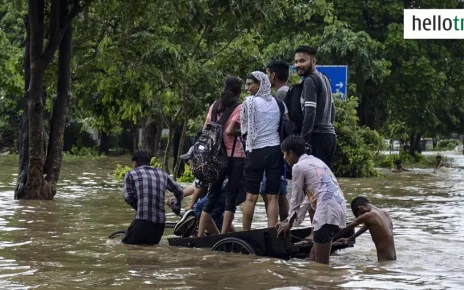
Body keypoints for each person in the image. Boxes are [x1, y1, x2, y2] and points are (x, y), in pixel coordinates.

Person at [276, 135, 346, 265]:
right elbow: (308, 200)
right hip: (338, 208)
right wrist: (289, 219)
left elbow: (296, 198)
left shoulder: (298, 167)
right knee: (313, 256)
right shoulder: (315, 161)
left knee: (321, 266)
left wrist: (290, 224)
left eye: (284, 154)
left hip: (326, 212)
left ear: (290, 153)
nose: (284, 158)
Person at [197, 76, 245, 236]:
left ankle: (200, 235)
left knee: (211, 197)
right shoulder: (239, 107)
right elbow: (230, 131)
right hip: (234, 156)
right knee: (230, 198)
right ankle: (224, 236)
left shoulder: (214, 106)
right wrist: (244, 132)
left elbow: (205, 129)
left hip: (215, 158)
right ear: (239, 91)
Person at [241, 71, 284, 230]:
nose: (247, 88)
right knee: (273, 196)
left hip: (255, 151)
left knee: (250, 197)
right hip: (275, 151)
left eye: (250, 84)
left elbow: (244, 129)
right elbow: (284, 122)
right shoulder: (278, 103)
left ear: (260, 84)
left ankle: (246, 233)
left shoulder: (249, 102)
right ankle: (273, 232)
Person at [122, 149, 183, 245]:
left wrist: (138, 207)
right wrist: (176, 205)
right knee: (151, 249)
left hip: (142, 221)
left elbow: (128, 197)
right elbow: (179, 192)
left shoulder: (131, 174)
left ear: (135, 163)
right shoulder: (162, 174)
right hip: (160, 225)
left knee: (125, 246)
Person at [293, 46, 337, 170]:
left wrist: (303, 142)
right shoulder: (324, 78)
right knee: (324, 181)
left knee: (313, 183)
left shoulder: (310, 80)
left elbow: (310, 112)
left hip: (317, 137)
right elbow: (333, 110)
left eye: (302, 61)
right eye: (296, 61)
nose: (298, 65)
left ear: (313, 61)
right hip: (330, 136)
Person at [259, 60, 291, 221]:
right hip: (281, 149)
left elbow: (284, 121)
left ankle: (279, 227)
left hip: (276, 150)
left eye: (266, 74)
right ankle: (283, 226)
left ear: (273, 75)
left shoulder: (280, 95)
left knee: (272, 191)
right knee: (279, 191)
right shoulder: (288, 91)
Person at [334, 196, 397, 261]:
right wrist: (350, 239)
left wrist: (330, 238)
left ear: (360, 208)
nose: (361, 217)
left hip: (384, 260)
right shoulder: (384, 213)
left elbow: (349, 226)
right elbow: (366, 226)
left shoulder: (369, 215)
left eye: (358, 216)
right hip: (392, 258)